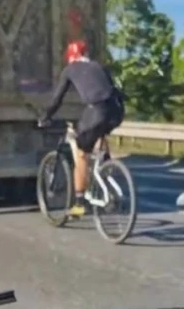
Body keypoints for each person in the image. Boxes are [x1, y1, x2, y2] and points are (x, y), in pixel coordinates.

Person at [38, 40, 125, 217]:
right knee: (99, 132)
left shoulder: (70, 69)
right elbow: (109, 89)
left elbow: (57, 98)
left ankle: (79, 204)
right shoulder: (98, 66)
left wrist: (45, 117)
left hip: (97, 110)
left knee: (81, 152)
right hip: (117, 109)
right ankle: (106, 167)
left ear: (70, 57)